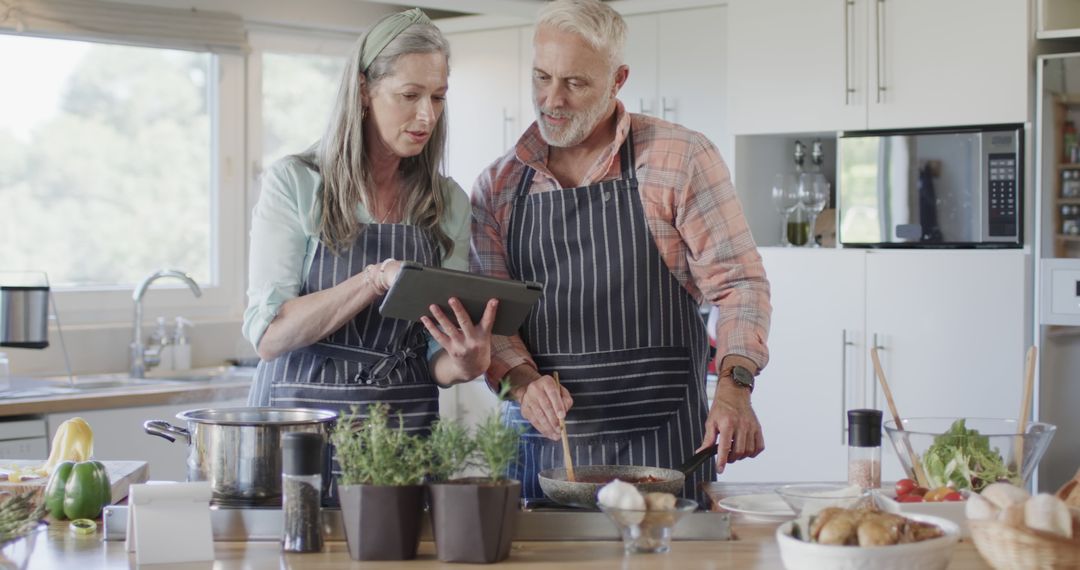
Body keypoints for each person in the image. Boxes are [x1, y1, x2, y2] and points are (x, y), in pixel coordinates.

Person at [470, 0, 771, 502]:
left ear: (618, 80)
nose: (552, 99)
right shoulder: (498, 186)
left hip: (663, 446)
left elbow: (740, 284)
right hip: (545, 449)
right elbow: (494, 319)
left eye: (575, 83)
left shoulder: (679, 158)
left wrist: (735, 387)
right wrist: (523, 381)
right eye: (541, 77)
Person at [244, 8, 495, 437]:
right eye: (410, 95)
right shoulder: (297, 183)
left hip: (402, 430)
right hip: (299, 427)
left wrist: (467, 362)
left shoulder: (446, 202)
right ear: (364, 89)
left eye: (437, 97)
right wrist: (375, 279)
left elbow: (438, 354)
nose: (427, 117)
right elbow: (270, 336)